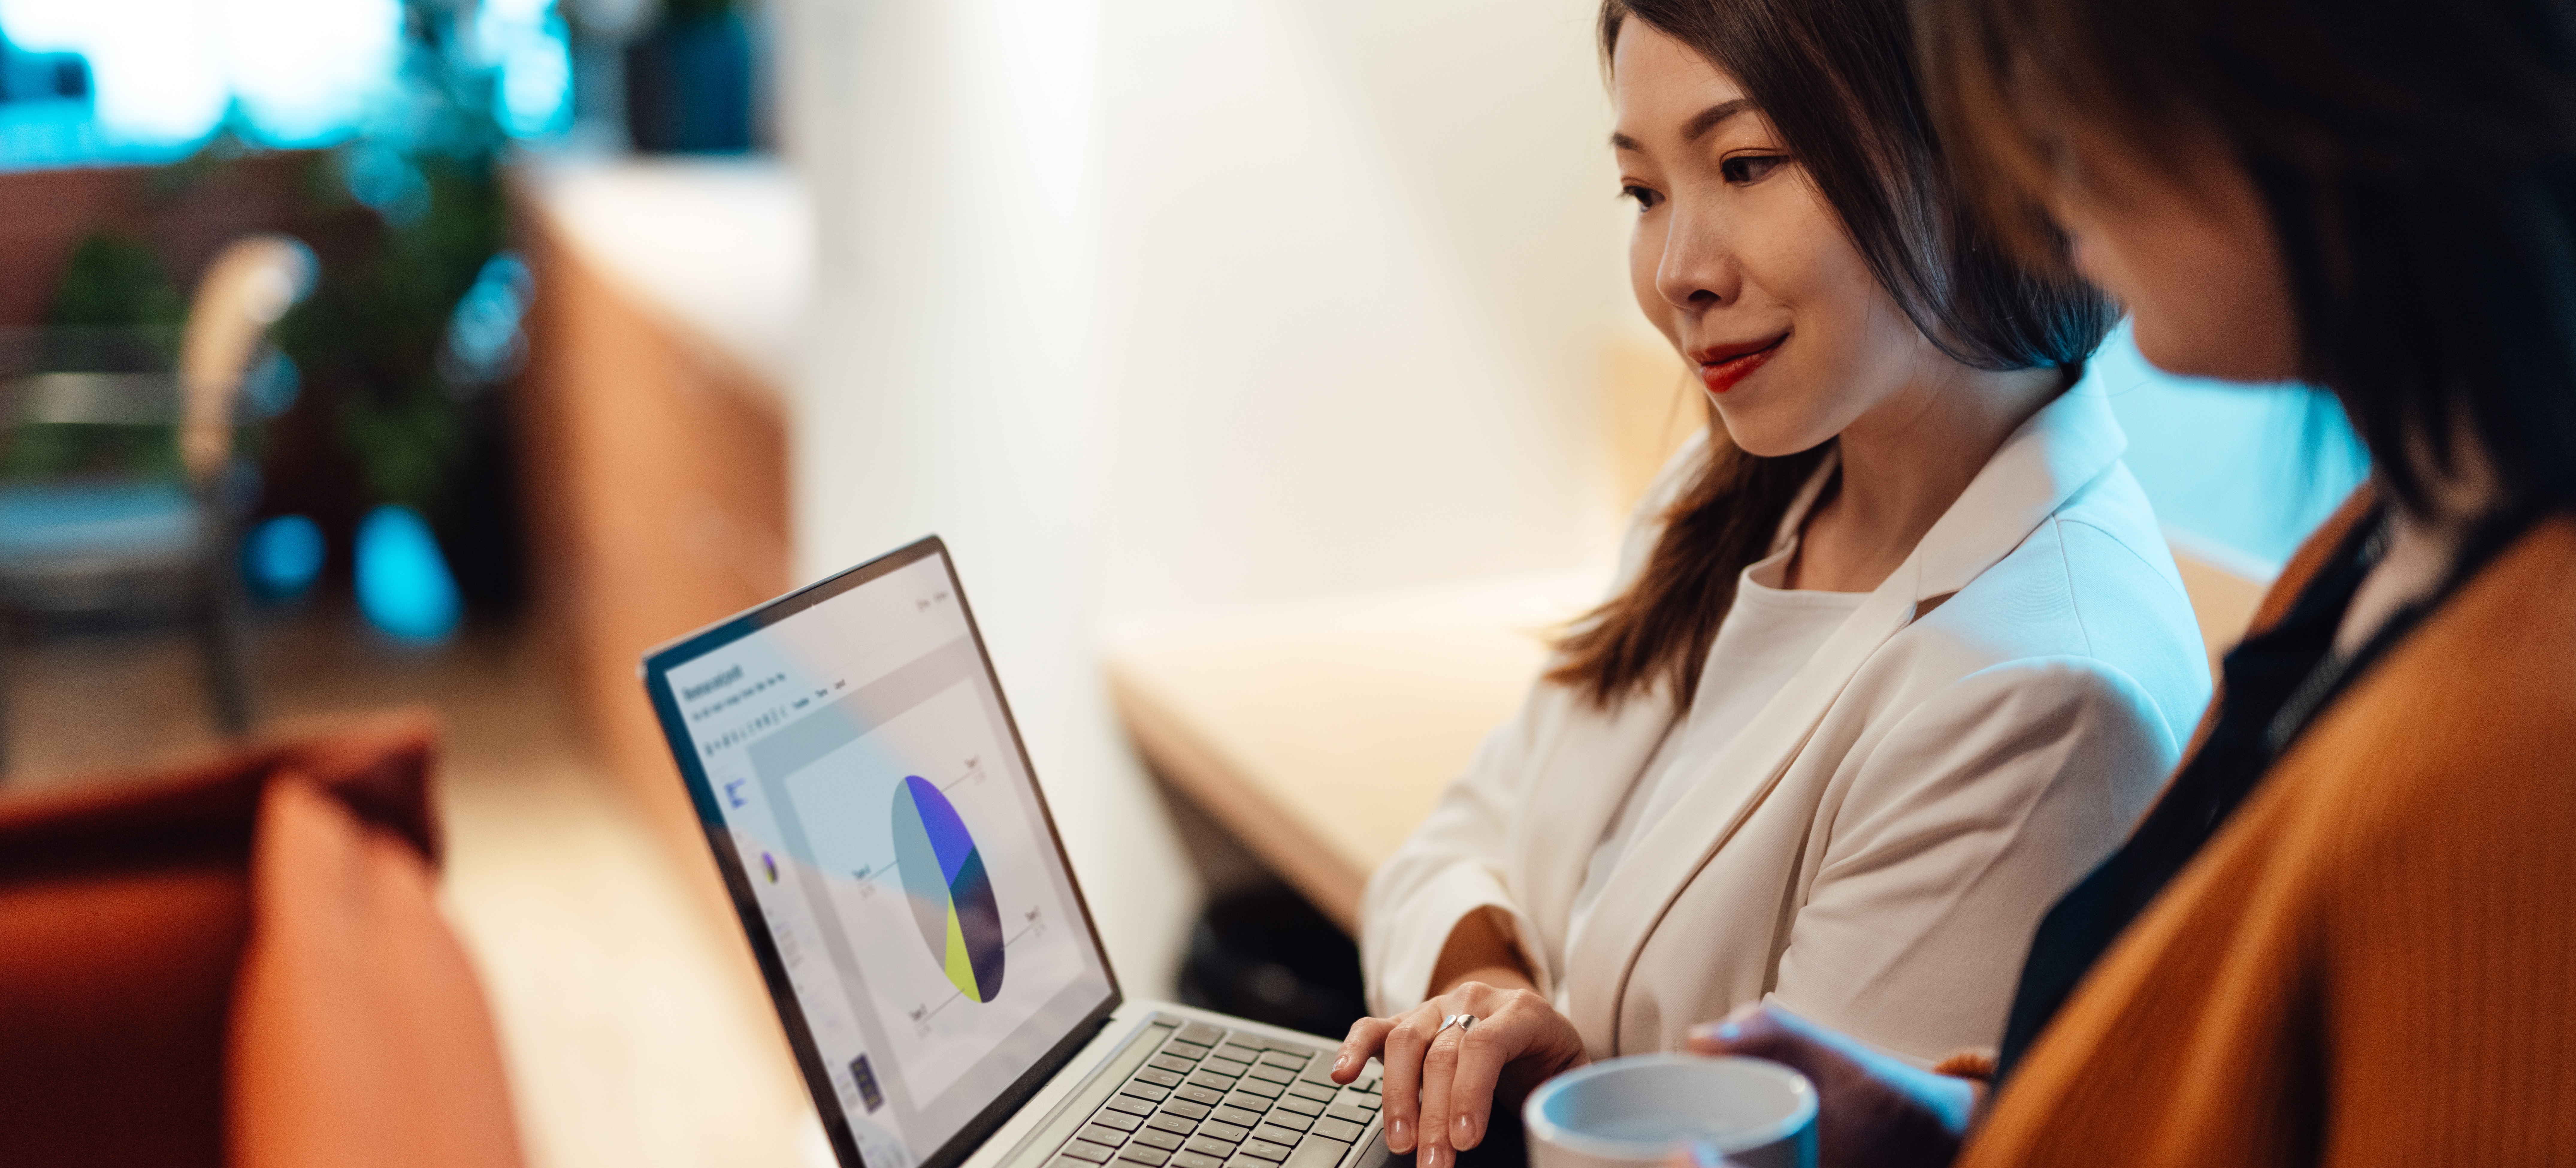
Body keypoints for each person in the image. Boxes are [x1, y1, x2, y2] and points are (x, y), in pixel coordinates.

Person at [1687, 0, 2576, 1163]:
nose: (2019, 156)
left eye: (2062, 80)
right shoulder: (2382, 542)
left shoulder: (2523, 733)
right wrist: (1956, 1129)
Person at [1331, 1, 2216, 1164]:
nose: (1676, 273)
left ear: (1963, 150)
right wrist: (1483, 988)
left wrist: (1563, 1077)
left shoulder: (2044, 699)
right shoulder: (1736, 492)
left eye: (1745, 165)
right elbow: (1456, 838)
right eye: (1642, 193)